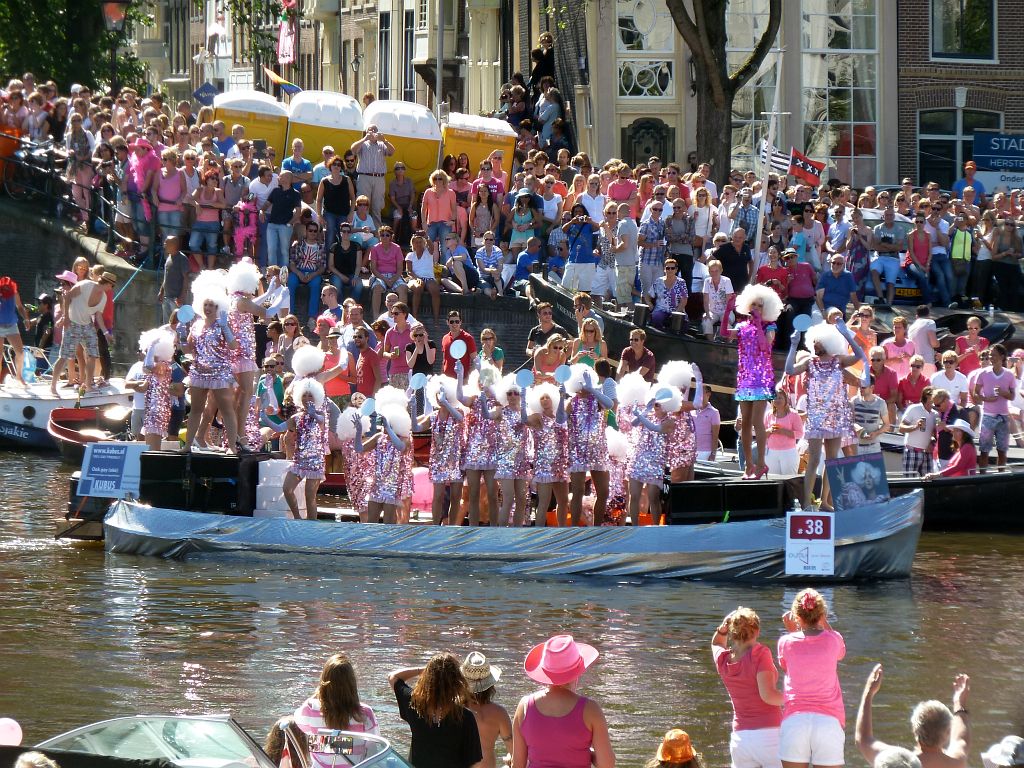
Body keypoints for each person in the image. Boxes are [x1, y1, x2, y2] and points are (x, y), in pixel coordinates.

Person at [786, 321, 864, 509]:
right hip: (816, 417)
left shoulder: (839, 360)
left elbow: (859, 355)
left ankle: (824, 501)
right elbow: (789, 370)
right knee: (813, 459)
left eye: (819, 342)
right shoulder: (809, 362)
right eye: (814, 342)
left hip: (836, 416)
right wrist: (793, 345)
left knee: (832, 460)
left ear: (828, 343)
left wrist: (846, 335)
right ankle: (806, 502)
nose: (815, 345)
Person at [512, 635, 614, 768]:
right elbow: (607, 765)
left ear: (544, 672)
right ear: (578, 671)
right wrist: (590, 755)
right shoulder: (590, 710)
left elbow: (517, 764)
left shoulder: (525, 706)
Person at [778, 588, 846, 768]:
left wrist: (792, 632)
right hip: (828, 721)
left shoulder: (785, 642)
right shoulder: (834, 640)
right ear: (822, 613)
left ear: (796, 616)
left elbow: (787, 667)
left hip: (795, 721)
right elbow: (841, 653)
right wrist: (825, 622)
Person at [855, 663, 970, 768]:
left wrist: (868, 693)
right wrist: (959, 704)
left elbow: (863, 739)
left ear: (915, 730)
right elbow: (961, 739)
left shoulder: (896, 761)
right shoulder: (957, 762)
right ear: (948, 733)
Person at [712, 607, 783, 768]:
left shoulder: (723, 659)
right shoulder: (759, 653)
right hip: (770, 737)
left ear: (732, 632)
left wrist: (722, 629)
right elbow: (768, 696)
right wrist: (796, 695)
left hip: (740, 740)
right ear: (757, 630)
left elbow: (716, 643)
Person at [389, 654, 483, 768]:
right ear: (456, 683)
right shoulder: (465, 717)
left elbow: (393, 677)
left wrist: (424, 670)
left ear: (427, 679)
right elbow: (475, 763)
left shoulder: (413, 704)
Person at [729, 284, 782, 479]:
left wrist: (760, 323)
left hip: (762, 378)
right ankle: (748, 464)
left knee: (758, 421)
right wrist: (728, 311)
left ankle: (761, 463)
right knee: (745, 423)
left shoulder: (771, 326)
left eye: (760, 305)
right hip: (745, 378)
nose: (757, 309)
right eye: (754, 305)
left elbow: (765, 345)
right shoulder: (742, 326)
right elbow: (726, 334)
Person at [293, 653, 379, 768]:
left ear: (323, 683)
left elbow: (299, 723)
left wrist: (316, 695)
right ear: (352, 684)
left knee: (316, 743)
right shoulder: (364, 714)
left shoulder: (311, 710)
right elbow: (373, 749)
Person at [461, 652, 513, 768]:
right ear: (490, 685)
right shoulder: (499, 713)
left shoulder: (454, 710)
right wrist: (509, 759)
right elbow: (513, 750)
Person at [974, 343, 1015, 469]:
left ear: (1002, 356)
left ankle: (1001, 476)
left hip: (1003, 417)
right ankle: (982, 477)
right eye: (990, 355)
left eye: (994, 355)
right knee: (984, 450)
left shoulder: (1009, 374)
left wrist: (1004, 393)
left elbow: (1012, 396)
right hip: (988, 416)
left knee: (1002, 450)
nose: (991, 357)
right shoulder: (983, 373)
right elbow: (975, 393)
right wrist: (986, 399)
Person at [899, 386, 937, 478]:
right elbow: (901, 428)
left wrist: (932, 442)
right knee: (909, 483)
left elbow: (935, 435)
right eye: (933, 396)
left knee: (928, 484)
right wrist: (916, 426)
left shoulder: (935, 414)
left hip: (928, 454)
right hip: (912, 451)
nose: (935, 399)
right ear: (926, 397)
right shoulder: (914, 408)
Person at [765, 387, 803, 475]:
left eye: (780, 398)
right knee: (773, 480)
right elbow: (762, 433)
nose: (777, 400)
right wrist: (770, 430)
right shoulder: (768, 415)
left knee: (789, 481)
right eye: (775, 398)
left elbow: (800, 434)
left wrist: (784, 431)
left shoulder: (793, 414)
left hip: (789, 452)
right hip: (771, 452)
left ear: (785, 399)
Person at [0, 276, 30, 387]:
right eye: (4, 288)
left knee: (20, 352)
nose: (7, 289)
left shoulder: (15, 293)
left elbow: (20, 307)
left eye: (9, 287)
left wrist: (26, 319)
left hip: (12, 325)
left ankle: (19, 376)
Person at [816, 254, 859, 319]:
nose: (835, 265)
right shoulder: (825, 276)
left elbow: (853, 295)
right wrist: (823, 311)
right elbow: (819, 297)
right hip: (826, 309)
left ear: (843, 264)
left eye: (838, 264)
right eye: (833, 263)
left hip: (840, 310)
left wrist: (857, 311)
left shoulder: (848, 276)